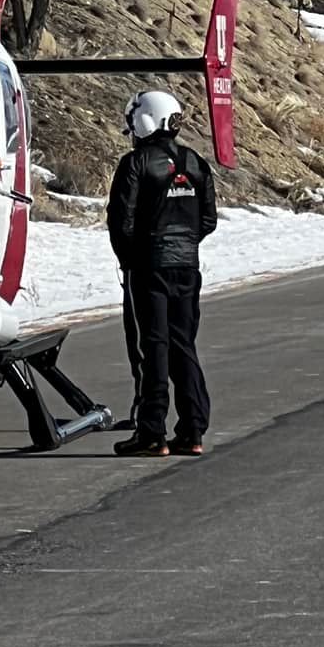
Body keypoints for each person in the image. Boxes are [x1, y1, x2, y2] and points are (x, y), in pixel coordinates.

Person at [107, 90, 217, 458]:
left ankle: (151, 432)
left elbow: (120, 221)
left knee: (151, 347)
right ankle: (192, 430)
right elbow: (208, 220)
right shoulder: (196, 162)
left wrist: (131, 259)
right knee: (183, 344)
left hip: (149, 268)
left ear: (144, 120)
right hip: (187, 267)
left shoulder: (135, 163)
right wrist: (184, 245)